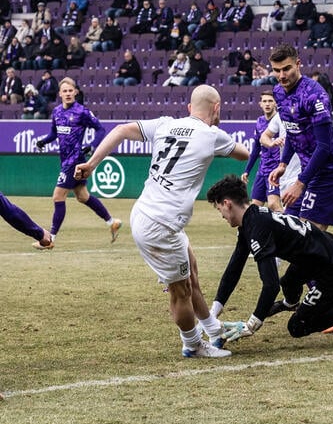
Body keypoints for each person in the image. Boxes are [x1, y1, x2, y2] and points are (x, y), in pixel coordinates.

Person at [74, 85, 250, 358]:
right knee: (181, 290)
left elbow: (120, 130)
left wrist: (92, 164)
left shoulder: (165, 124)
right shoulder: (212, 135)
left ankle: (214, 329)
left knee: (191, 269)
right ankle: (192, 345)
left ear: (189, 108)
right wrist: (219, 134)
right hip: (161, 225)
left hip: (146, 212)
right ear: (216, 108)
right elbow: (244, 154)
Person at [206, 175, 333, 343]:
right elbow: (234, 268)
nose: (221, 215)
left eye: (219, 208)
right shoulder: (251, 221)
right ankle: (290, 303)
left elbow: (271, 285)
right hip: (320, 254)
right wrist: (214, 311)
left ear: (227, 203)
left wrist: (252, 324)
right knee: (288, 282)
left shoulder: (258, 227)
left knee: (297, 327)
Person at [267, 44, 333, 230]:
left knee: (310, 237)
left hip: (328, 174)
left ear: (298, 64)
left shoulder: (314, 95)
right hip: (307, 173)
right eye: (277, 70)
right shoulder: (278, 92)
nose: (281, 75)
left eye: (286, 69)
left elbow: (324, 147)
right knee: (289, 231)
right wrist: (283, 164)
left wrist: (299, 183)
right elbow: (292, 131)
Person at [33, 77, 121, 250]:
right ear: (59, 94)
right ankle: (112, 222)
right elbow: (54, 133)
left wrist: (92, 146)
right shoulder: (56, 112)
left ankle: (50, 239)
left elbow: (100, 129)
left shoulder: (82, 112)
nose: (67, 93)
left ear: (75, 92)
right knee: (82, 196)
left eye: (70, 90)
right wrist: (43, 141)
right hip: (65, 160)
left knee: (58, 196)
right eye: (64, 91)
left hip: (75, 161)